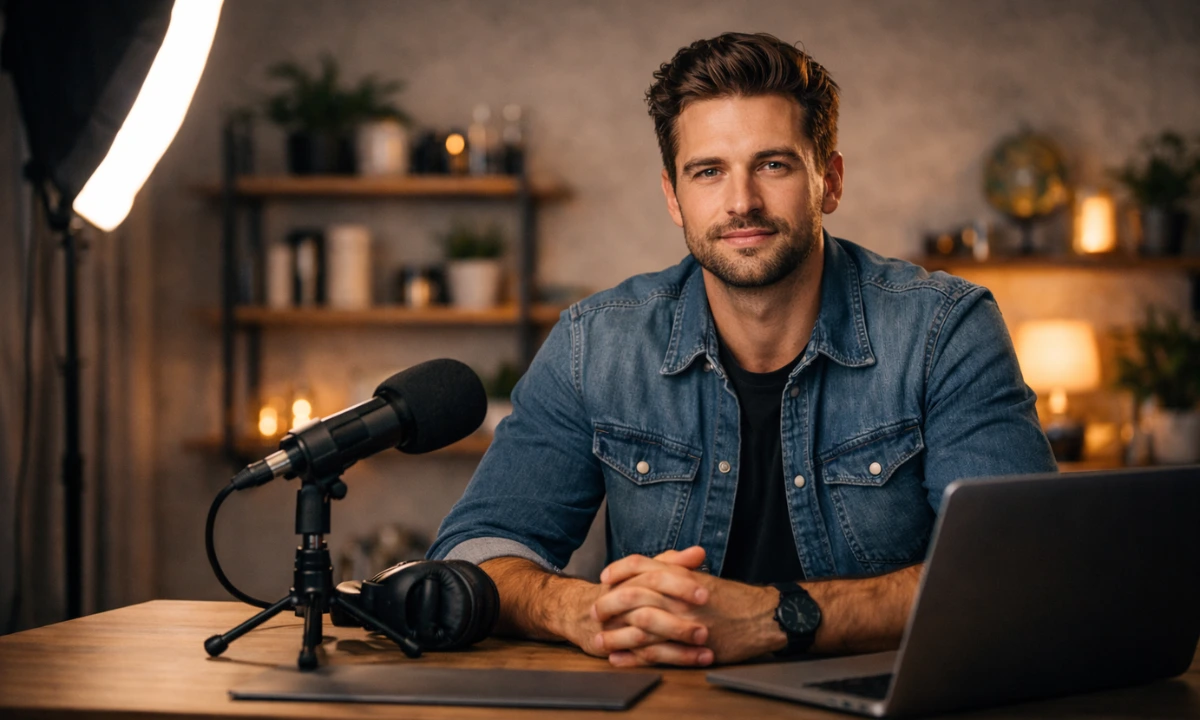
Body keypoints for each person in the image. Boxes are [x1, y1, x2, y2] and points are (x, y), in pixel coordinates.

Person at [428, 32, 1056, 668]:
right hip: (669, 709)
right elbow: (474, 551)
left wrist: (775, 617)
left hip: (886, 704)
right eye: (708, 172)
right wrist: (579, 611)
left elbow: (1020, 569)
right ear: (674, 197)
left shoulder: (945, 330)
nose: (741, 202)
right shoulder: (596, 343)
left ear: (829, 182)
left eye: (773, 164)